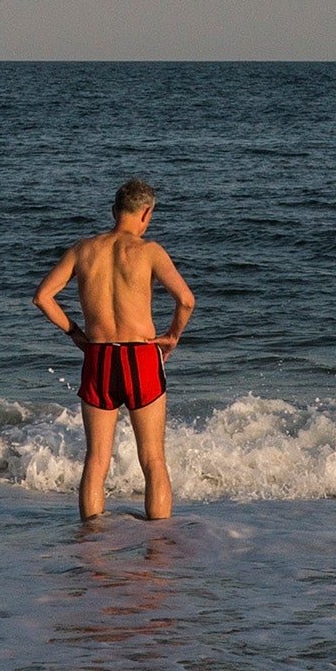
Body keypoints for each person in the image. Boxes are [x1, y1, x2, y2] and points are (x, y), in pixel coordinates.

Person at [34, 178, 195, 521]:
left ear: (114, 211)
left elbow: (43, 297)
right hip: (141, 357)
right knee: (152, 460)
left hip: (99, 357)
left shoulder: (83, 250)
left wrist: (74, 332)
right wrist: (172, 336)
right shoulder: (149, 251)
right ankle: (158, 543)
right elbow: (185, 300)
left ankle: (91, 541)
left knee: (96, 460)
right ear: (146, 213)